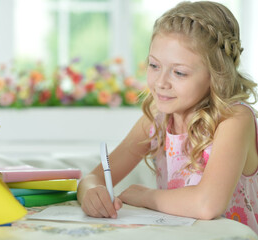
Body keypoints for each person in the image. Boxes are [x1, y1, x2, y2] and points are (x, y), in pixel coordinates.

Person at [77, 1, 258, 234]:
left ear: (217, 74)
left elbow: (207, 204)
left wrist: (146, 196)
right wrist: (91, 192)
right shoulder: (158, 117)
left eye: (179, 72)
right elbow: (94, 177)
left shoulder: (234, 119)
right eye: (154, 65)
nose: (160, 83)